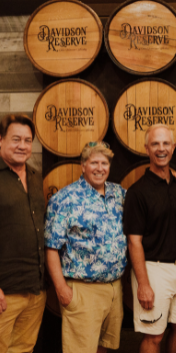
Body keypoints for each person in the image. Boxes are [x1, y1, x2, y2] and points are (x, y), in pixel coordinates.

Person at [45, 141, 127, 353]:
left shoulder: (119, 195)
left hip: (114, 289)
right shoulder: (65, 199)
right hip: (82, 290)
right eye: (94, 163)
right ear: (83, 165)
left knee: (105, 347)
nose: (100, 168)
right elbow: (51, 247)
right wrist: (61, 288)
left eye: (104, 163)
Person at [124, 124, 176, 353]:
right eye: (155, 144)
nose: (161, 148)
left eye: (166, 143)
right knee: (154, 335)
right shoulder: (138, 192)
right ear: (147, 149)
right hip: (153, 270)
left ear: (173, 148)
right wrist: (143, 284)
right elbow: (134, 241)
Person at [0, 114, 46, 353]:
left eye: (28, 140)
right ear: (0, 140)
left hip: (35, 288)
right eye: (16, 139)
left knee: (23, 349)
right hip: (5, 292)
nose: (22, 145)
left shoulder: (36, 176)